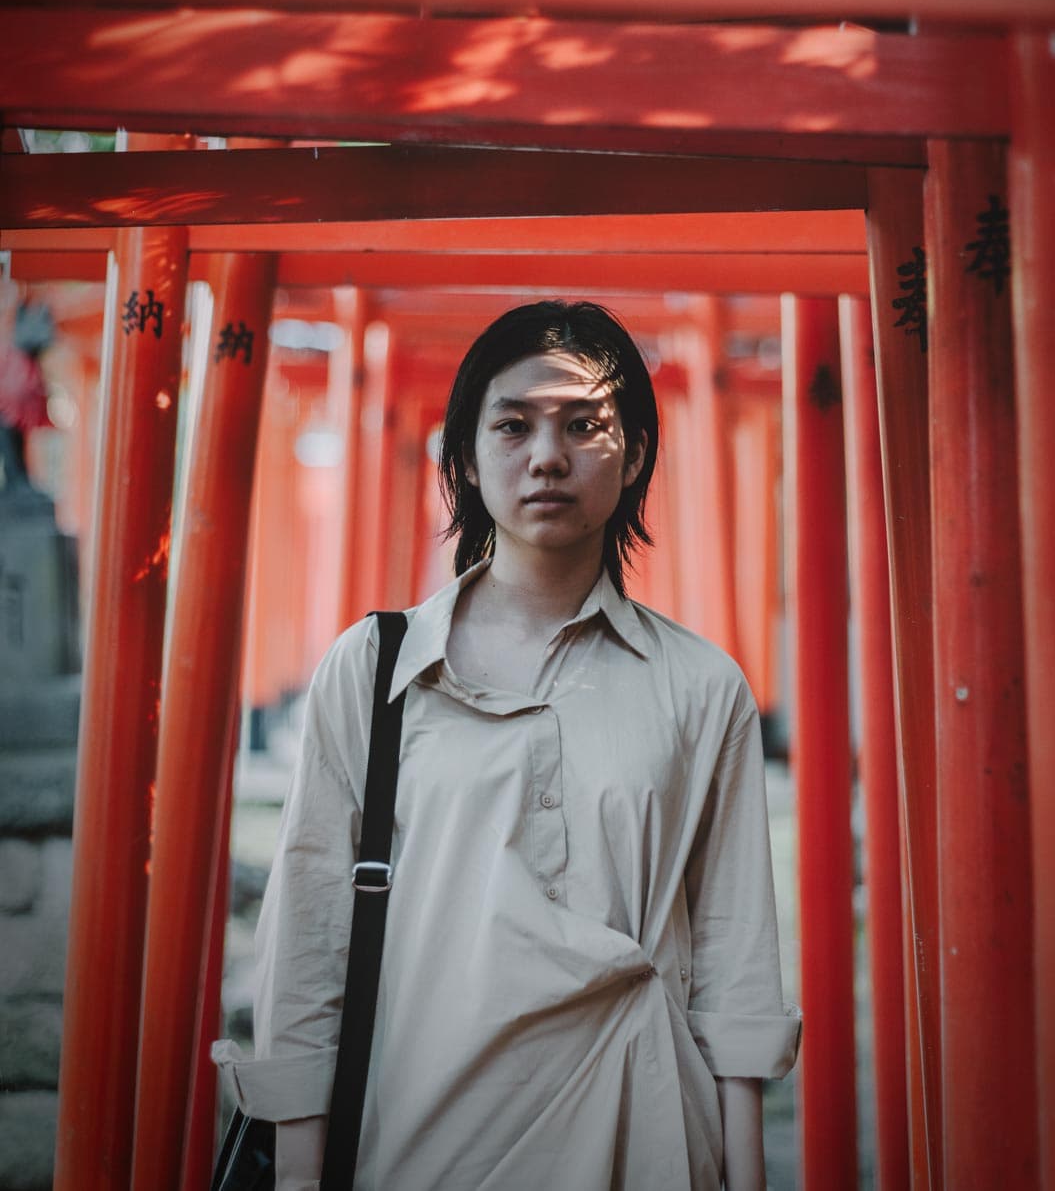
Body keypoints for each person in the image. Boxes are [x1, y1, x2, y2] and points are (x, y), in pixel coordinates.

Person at [214, 300, 800, 1190]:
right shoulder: (375, 670)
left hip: (638, 1127)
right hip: (420, 1131)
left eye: (584, 424)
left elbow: (734, 951)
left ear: (634, 452)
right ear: (465, 458)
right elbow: (309, 935)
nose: (547, 456)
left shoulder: (701, 684)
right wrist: (299, 1172)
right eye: (513, 425)